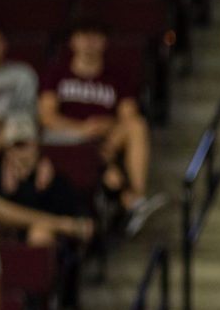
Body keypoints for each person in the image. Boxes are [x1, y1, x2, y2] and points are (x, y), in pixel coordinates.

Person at [39, 19, 160, 233]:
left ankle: (138, 197)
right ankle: (128, 200)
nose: (89, 42)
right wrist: (80, 128)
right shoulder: (57, 74)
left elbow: (128, 114)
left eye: (95, 36)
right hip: (66, 139)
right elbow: (47, 116)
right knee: (105, 166)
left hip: (104, 139)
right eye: (84, 36)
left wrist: (106, 124)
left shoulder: (118, 76)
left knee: (137, 125)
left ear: (104, 42)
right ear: (73, 42)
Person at [0, 122, 95, 250]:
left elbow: (83, 222)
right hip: (1, 241)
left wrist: (42, 190)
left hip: (43, 242)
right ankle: (60, 224)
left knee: (40, 234)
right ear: (6, 151)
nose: (21, 155)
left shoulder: (55, 179)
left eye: (26, 146)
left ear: (37, 148)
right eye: (16, 147)